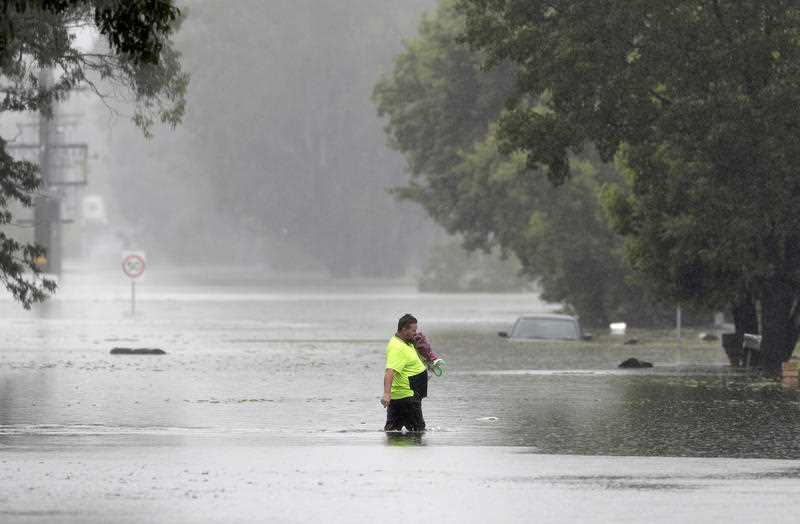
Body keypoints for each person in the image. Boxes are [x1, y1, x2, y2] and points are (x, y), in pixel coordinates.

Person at [382, 313, 427, 432]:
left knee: (392, 432)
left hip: (403, 397)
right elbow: (389, 372)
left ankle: (396, 450)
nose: (415, 333)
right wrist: (386, 394)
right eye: (413, 330)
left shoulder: (406, 342)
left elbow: (410, 364)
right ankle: (404, 449)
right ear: (404, 329)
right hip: (407, 399)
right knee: (418, 432)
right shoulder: (397, 347)